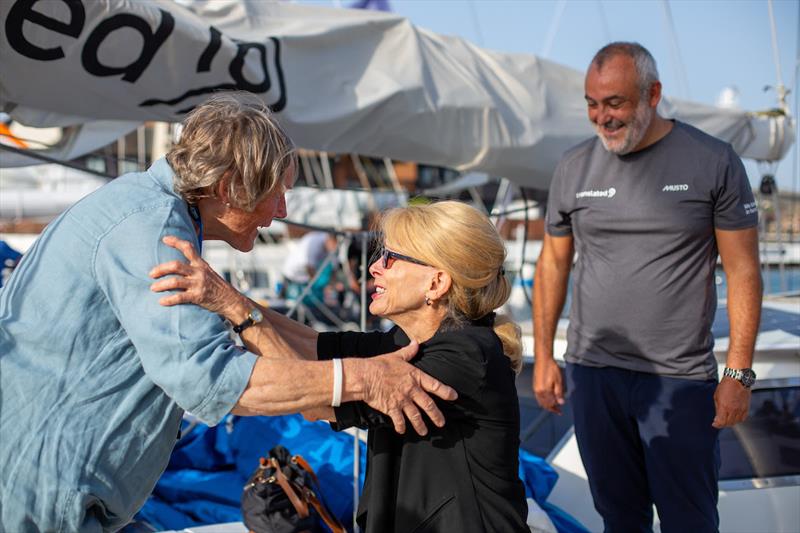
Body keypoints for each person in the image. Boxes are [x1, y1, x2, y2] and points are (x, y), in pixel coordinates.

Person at [0, 92, 456, 532]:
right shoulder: (156, 231)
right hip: (45, 492)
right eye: (276, 194)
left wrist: (232, 302)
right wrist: (365, 379)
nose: (280, 212)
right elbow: (210, 380)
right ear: (229, 188)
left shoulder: (141, 206)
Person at [151, 201, 529, 532]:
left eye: (391, 258)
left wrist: (233, 309)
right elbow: (311, 345)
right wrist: (225, 296)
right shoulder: (408, 343)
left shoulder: (464, 359)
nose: (374, 267)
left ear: (437, 282)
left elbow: (315, 400)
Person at [532, 42, 762, 533]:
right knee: (619, 519)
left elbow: (744, 271)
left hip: (676, 380)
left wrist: (738, 373)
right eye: (592, 104)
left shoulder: (713, 161)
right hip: (593, 375)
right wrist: (547, 356)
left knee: (689, 521)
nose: (602, 116)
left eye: (614, 102)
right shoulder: (573, 167)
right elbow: (553, 263)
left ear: (652, 94)